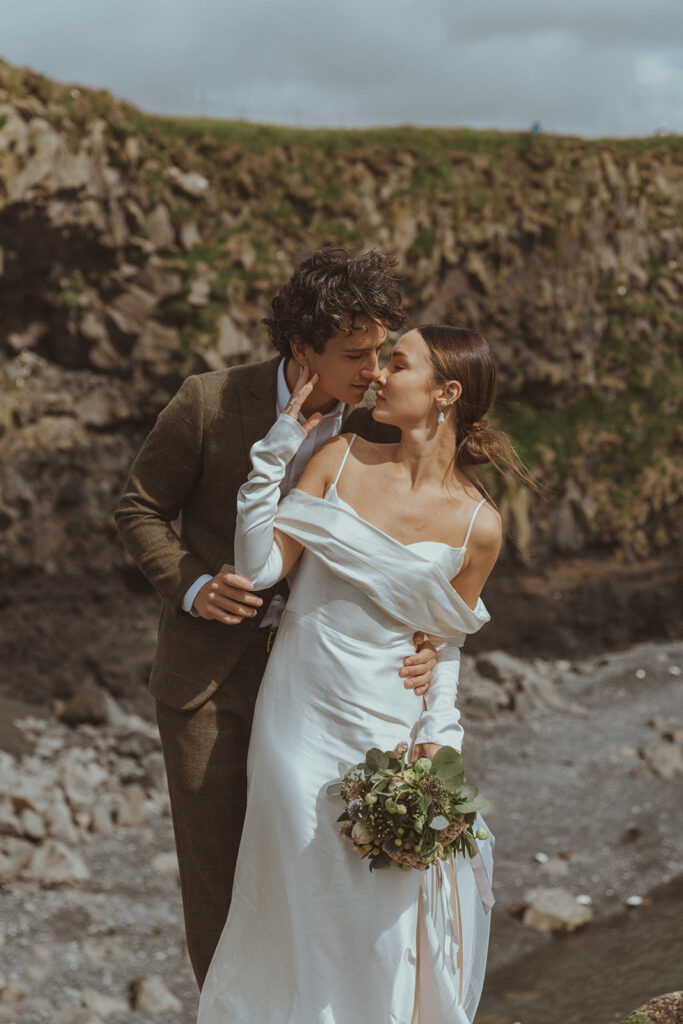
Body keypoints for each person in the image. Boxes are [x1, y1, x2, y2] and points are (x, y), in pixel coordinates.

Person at [114, 248, 439, 987]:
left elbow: (412, 548)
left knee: (321, 875)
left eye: (382, 351)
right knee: (223, 889)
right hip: (208, 687)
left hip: (327, 685)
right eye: (354, 354)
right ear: (301, 349)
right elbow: (138, 508)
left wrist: (431, 641)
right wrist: (193, 585)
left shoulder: (380, 425)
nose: (373, 369)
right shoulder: (207, 400)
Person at [198, 324, 513, 1024]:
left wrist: (440, 743)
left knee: (383, 912)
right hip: (298, 716)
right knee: (298, 898)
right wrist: (276, 448)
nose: (376, 374)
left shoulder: (477, 526)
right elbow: (256, 571)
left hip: (389, 723)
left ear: (445, 392)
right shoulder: (337, 459)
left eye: (396, 364)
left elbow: (447, 644)